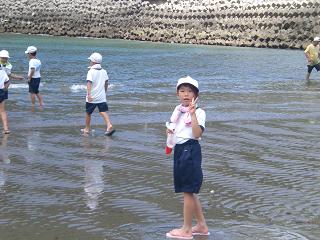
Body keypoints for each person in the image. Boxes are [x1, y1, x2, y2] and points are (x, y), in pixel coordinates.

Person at [166, 76, 209, 239]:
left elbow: (197, 134)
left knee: (188, 191)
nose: (186, 94)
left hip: (190, 150)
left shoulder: (199, 112)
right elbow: (174, 129)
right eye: (182, 90)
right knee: (189, 191)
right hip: (180, 149)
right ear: (177, 93)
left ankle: (186, 229)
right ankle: (201, 226)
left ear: (196, 95)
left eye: (190, 91)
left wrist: (192, 114)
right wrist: (169, 132)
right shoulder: (177, 111)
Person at [81, 52, 115, 136]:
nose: (90, 62)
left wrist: (89, 95)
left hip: (92, 97)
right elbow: (107, 82)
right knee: (103, 111)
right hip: (101, 96)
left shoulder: (91, 71)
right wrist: (105, 91)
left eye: (90, 60)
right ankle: (109, 125)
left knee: (88, 113)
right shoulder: (104, 71)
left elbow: (89, 83)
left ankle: (87, 129)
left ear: (93, 62)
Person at [0, 69, 10, 134]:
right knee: (2, 111)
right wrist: (4, 90)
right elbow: (8, 82)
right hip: (1, 91)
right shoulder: (2, 72)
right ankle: (6, 129)